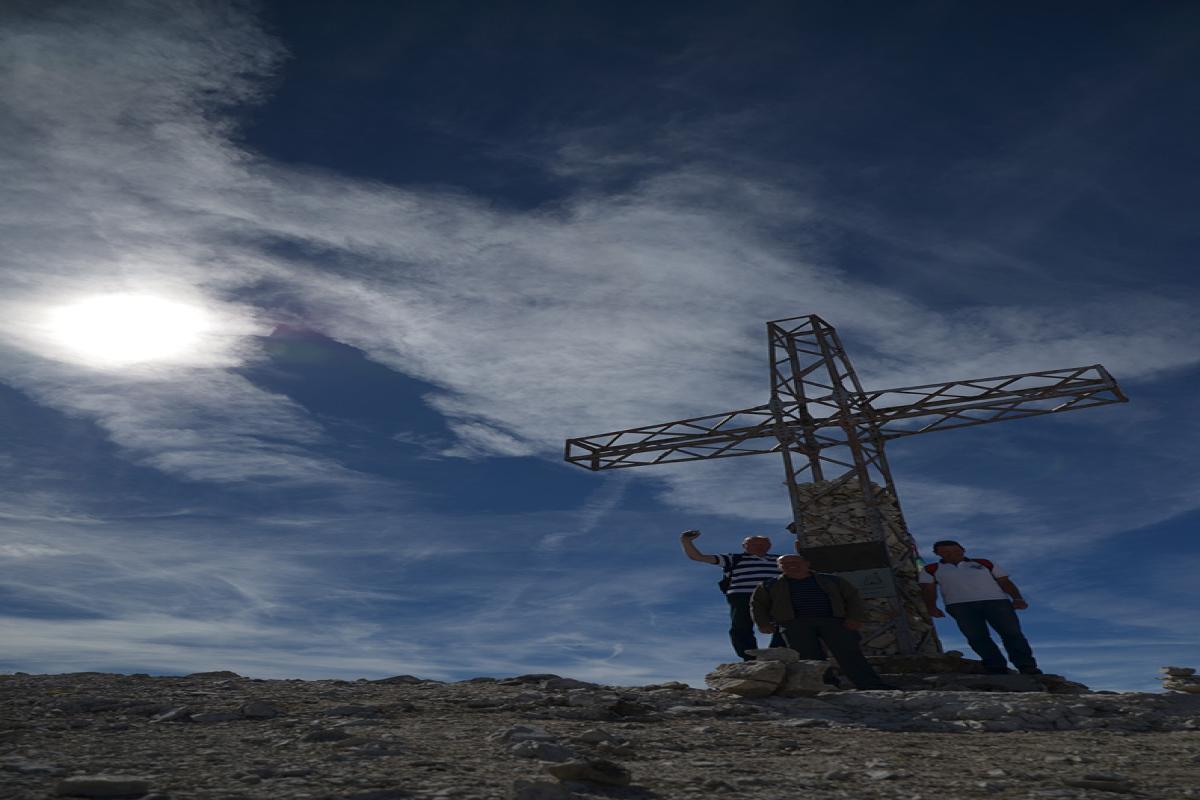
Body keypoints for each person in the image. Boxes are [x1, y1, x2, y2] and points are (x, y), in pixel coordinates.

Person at [750, 554, 892, 690]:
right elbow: (758, 605)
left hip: (834, 621)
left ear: (807, 564)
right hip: (794, 624)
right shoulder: (769, 585)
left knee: (849, 653)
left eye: (795, 563)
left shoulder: (832, 580)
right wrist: (763, 623)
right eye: (785, 564)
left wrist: (855, 617)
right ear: (779, 567)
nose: (791, 566)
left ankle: (870, 684)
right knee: (809, 657)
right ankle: (826, 685)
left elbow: (852, 597)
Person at [919, 539, 1041, 675]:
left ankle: (1027, 666)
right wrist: (931, 607)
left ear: (963, 550)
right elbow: (928, 589)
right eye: (946, 552)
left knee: (1012, 634)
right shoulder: (931, 569)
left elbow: (1004, 581)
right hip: (960, 605)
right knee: (976, 637)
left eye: (955, 550)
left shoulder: (983, 563)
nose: (952, 554)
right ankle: (996, 666)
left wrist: (1017, 598)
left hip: (997, 602)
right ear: (937, 554)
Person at [680, 530, 784, 660]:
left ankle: (777, 652)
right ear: (745, 546)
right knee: (741, 625)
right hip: (742, 595)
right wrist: (686, 541)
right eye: (754, 543)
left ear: (769, 546)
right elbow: (698, 557)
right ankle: (749, 657)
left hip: (773, 596)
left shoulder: (779, 560)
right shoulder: (733, 558)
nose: (760, 546)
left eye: (763, 543)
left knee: (785, 621)